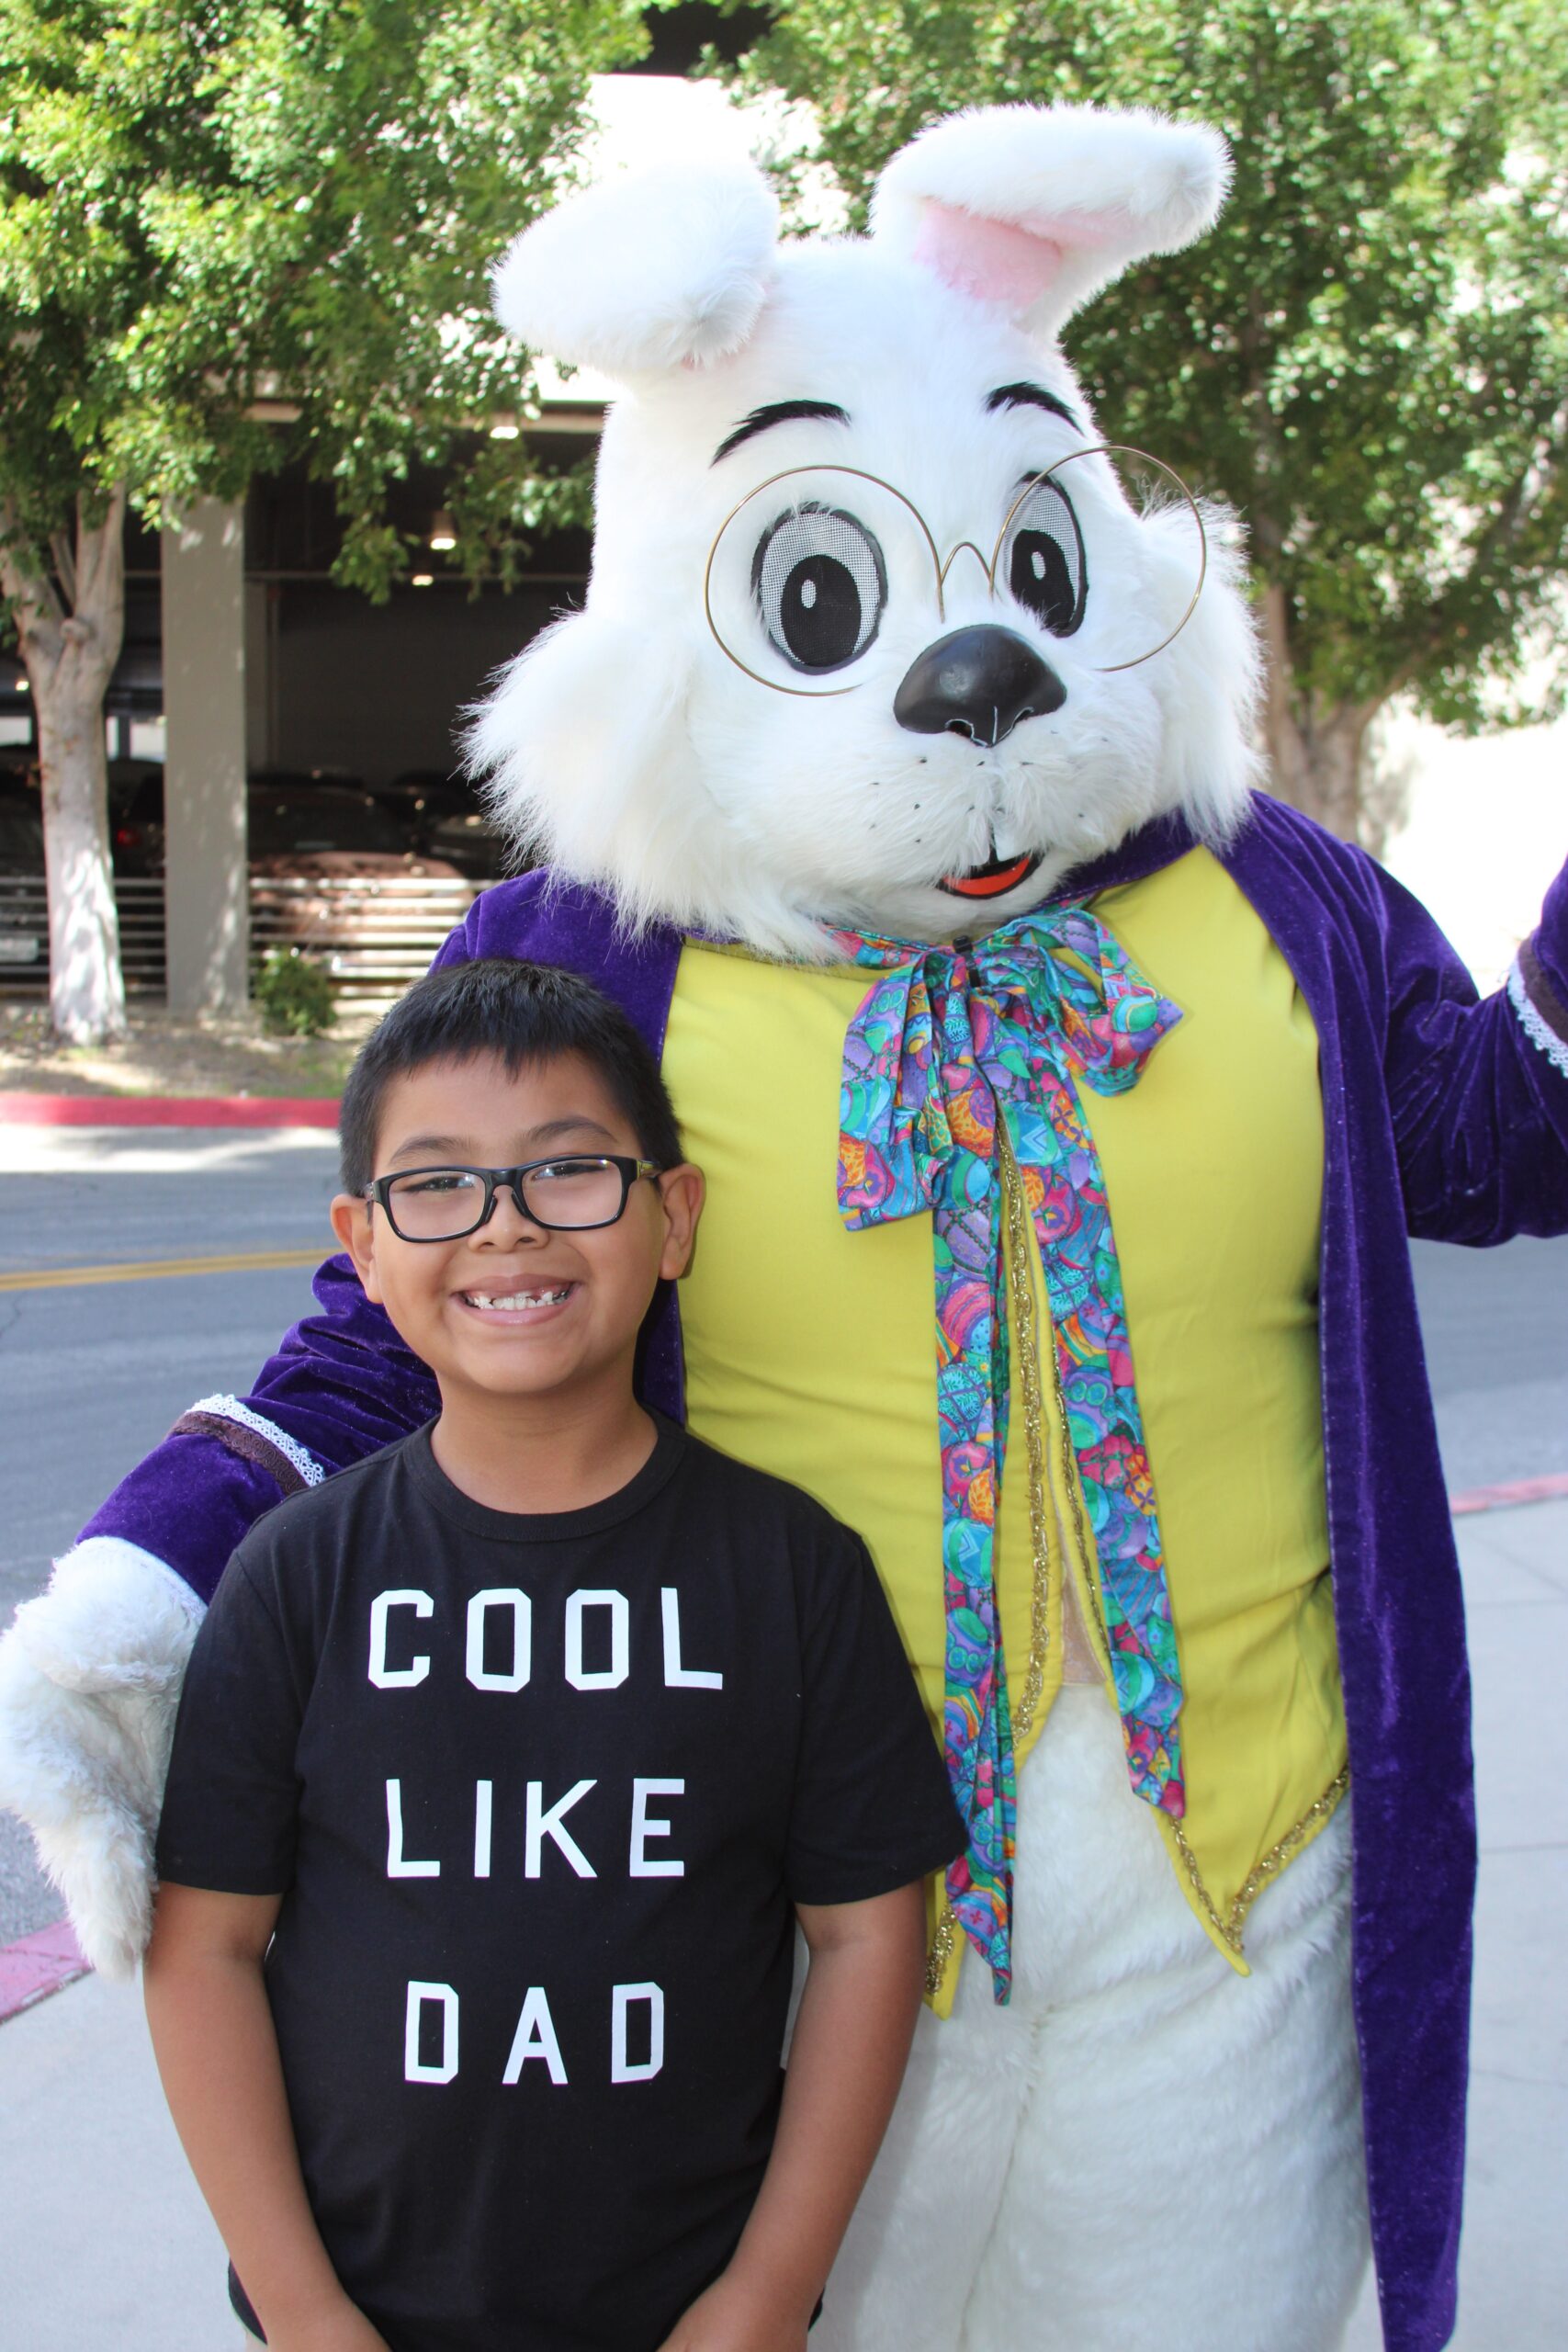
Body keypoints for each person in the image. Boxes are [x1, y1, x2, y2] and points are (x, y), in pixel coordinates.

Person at [142, 956, 963, 2352]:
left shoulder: (793, 1571)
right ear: (364, 1243)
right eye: (438, 1185)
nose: (508, 1227)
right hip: (360, 2310)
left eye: (570, 1171)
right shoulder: (295, 1574)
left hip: (691, 2312)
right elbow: (204, 1947)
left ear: (673, 1217)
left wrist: (765, 2296)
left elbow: (867, 1931)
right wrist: (305, 2311)